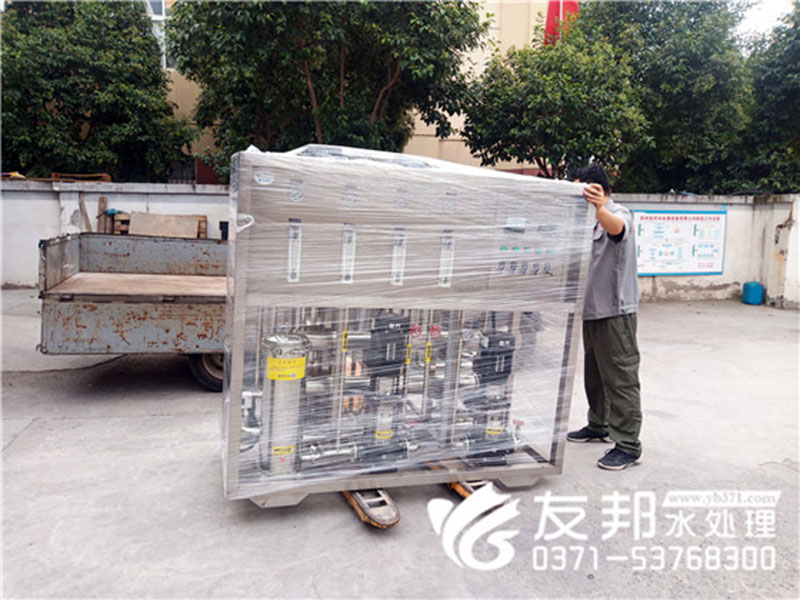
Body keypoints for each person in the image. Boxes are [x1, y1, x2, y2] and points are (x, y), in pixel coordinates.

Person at [567, 164, 642, 470]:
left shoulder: (617, 214)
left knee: (620, 378)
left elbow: (617, 229)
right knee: (596, 375)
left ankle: (628, 445)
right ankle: (599, 424)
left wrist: (599, 208)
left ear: (598, 190)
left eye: (581, 191)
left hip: (615, 312)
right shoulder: (587, 222)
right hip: (591, 311)